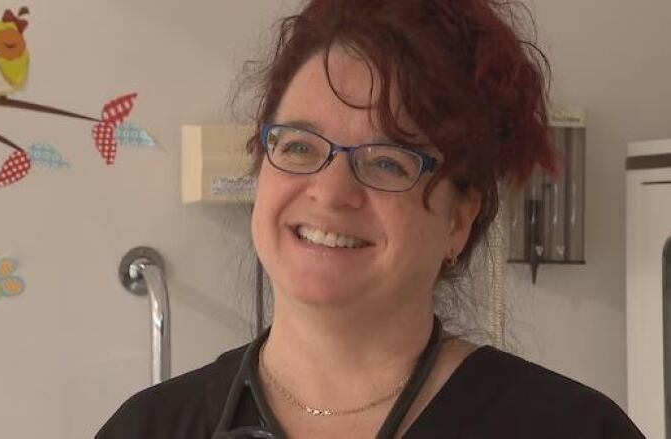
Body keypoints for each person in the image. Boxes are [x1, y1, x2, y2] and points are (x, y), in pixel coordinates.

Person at [97, 1, 644, 438]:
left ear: (459, 219)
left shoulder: (571, 428)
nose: (331, 191)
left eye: (388, 161)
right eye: (299, 146)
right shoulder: (147, 428)